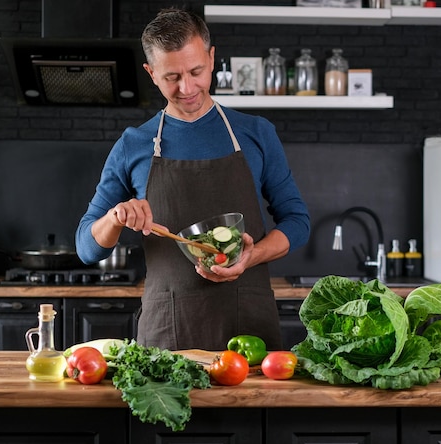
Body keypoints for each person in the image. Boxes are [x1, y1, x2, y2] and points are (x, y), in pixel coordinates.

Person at [75, 8, 310, 351]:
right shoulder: (133, 145)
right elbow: (86, 247)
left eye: (196, 71)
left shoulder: (256, 133)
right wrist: (116, 217)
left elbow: (298, 221)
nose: (187, 88)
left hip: (249, 331)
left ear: (212, 58)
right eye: (171, 76)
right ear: (151, 73)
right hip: (168, 333)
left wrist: (252, 256)